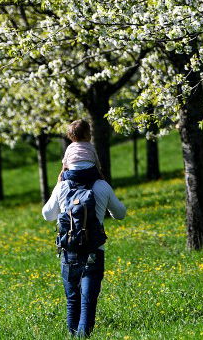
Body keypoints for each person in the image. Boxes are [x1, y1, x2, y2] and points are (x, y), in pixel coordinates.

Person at [42, 119, 126, 337]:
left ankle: (73, 337)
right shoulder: (101, 185)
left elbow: (47, 214)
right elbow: (120, 214)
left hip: (69, 250)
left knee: (72, 300)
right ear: (92, 158)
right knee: (88, 302)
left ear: (69, 161)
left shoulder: (62, 186)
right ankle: (83, 336)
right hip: (94, 251)